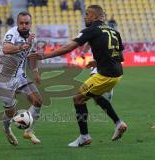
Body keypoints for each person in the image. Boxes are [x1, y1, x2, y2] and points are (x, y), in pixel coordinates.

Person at [29, 5, 127, 148]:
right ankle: (118, 123)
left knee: (78, 98)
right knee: (95, 95)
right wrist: (97, 61)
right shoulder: (114, 31)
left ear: (94, 16)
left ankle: (84, 137)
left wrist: (44, 55)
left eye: (87, 14)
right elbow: (121, 57)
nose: (84, 17)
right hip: (117, 73)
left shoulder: (91, 30)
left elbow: (68, 47)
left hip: (106, 75)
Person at [0, 11, 42, 146]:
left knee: (38, 101)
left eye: (27, 23)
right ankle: (7, 128)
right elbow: (6, 48)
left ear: (30, 24)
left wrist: (35, 71)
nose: (24, 25)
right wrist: (22, 46)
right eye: (21, 23)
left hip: (19, 74)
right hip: (3, 76)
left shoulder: (33, 39)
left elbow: (32, 56)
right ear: (17, 23)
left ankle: (29, 131)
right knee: (11, 111)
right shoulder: (12, 33)